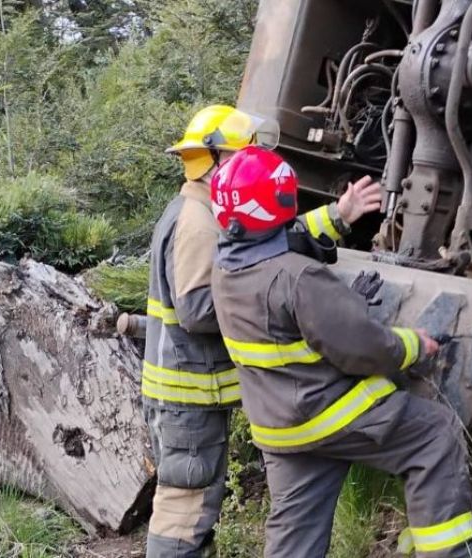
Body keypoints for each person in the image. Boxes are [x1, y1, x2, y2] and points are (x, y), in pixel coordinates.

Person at [208, 145, 472, 558]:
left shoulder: (226, 268)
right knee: (434, 433)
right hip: (330, 414)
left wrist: (339, 215)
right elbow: (364, 348)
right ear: (283, 197)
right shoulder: (299, 279)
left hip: (279, 427)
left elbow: (289, 239)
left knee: (294, 533)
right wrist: (413, 346)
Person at [143, 105, 382, 557]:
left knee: (197, 500)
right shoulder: (196, 223)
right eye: (239, 159)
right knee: (186, 504)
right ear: (212, 160)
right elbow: (196, 310)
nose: (248, 168)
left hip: (195, 390)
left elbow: (269, 241)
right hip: (188, 394)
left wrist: (339, 215)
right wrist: (264, 301)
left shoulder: (210, 210)